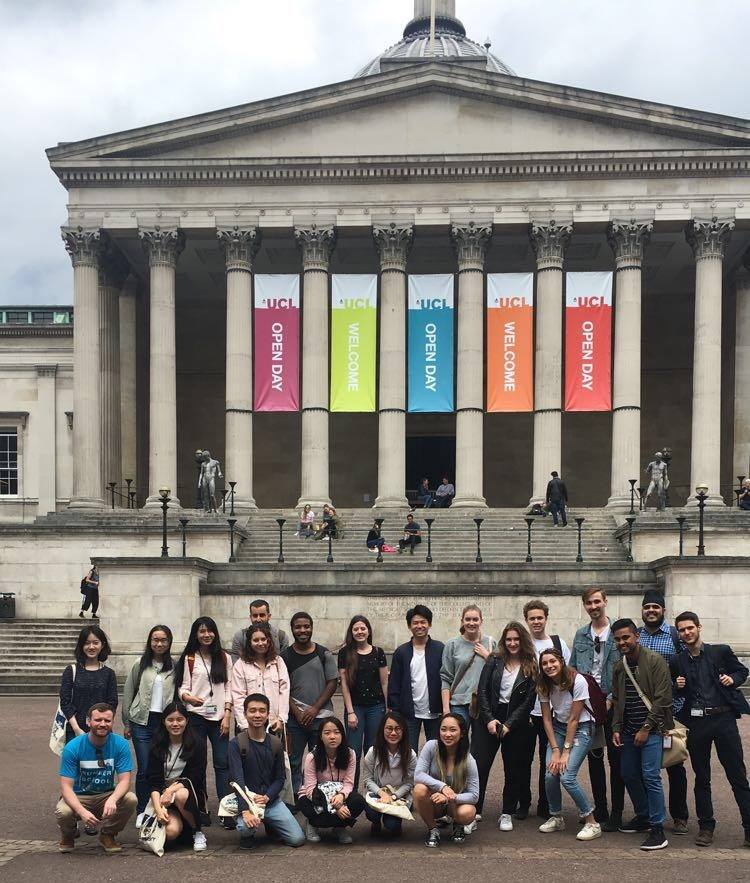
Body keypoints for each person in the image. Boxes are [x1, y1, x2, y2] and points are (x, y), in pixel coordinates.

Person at [674, 611, 750, 848]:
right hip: (697, 723)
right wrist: (677, 686)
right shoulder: (678, 661)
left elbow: (742, 671)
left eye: (690, 628)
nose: (687, 633)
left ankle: (749, 827)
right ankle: (706, 826)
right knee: (702, 777)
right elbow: (674, 691)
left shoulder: (721, 651)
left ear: (699, 627)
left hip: (724, 719)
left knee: (737, 776)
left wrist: (732, 679)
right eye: (682, 630)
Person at [611, 618, 671, 850]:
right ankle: (644, 815)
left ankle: (657, 829)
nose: (622, 642)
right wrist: (616, 728)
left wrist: (646, 729)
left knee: (651, 777)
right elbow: (617, 701)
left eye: (626, 637)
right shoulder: (619, 666)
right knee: (628, 774)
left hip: (652, 730)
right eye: (617, 639)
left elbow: (663, 699)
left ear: (637, 636)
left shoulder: (655, 661)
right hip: (627, 731)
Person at [569, 588, 624, 831]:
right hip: (590, 705)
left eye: (597, 602)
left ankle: (617, 812)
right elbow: (572, 669)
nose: (594, 606)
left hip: (613, 703)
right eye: (589, 603)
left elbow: (624, 670)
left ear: (605, 602)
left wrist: (612, 698)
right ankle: (600, 808)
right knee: (595, 759)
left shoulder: (617, 633)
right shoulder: (581, 634)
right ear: (584, 606)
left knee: (617, 758)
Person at [475, 621, 537, 829]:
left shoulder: (531, 665)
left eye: (516, 639)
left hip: (516, 721)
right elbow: (482, 690)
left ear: (523, 641)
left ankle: (507, 812)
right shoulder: (494, 660)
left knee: (513, 769)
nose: (512, 643)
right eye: (509, 639)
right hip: (490, 716)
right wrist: (489, 718)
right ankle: (474, 811)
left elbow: (529, 701)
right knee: (480, 765)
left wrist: (509, 724)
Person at [637, 589, 689, 834]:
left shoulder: (674, 635)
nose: (651, 611)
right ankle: (649, 814)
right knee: (645, 767)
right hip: (642, 710)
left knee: (674, 763)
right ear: (642, 610)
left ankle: (679, 816)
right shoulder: (636, 636)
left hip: (670, 710)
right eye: (647, 607)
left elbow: (688, 664)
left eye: (655, 607)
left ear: (663, 610)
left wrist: (681, 682)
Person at [536, 649, 601, 841]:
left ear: (561, 661)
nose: (549, 666)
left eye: (553, 661)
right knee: (550, 774)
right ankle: (556, 817)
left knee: (567, 776)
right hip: (558, 727)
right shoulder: (543, 684)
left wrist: (565, 752)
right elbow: (546, 720)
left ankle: (592, 822)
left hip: (581, 727)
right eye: (545, 663)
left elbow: (574, 718)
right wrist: (555, 750)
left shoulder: (577, 680)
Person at [56, 702, 137, 854]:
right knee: (63, 811)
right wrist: (82, 811)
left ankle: (108, 834)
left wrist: (113, 799)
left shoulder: (120, 744)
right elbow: (65, 787)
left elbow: (125, 780)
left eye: (107, 720)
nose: (103, 724)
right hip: (79, 796)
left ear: (112, 722)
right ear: (88, 722)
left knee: (131, 799)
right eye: (98, 720)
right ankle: (68, 834)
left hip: (105, 795)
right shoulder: (73, 747)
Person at [229, 693, 305, 848]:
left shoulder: (276, 743)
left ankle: (271, 824)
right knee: (245, 828)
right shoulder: (236, 744)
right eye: (252, 711)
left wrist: (268, 796)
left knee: (297, 839)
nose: (257, 715)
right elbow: (238, 780)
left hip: (270, 801)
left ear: (268, 714)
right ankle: (247, 834)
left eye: (262, 711)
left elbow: (280, 778)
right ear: (245, 714)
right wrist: (245, 810)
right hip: (248, 801)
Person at [175, 616, 233, 804]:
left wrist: (227, 715)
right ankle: (201, 805)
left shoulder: (225, 657)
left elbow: (228, 688)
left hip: (219, 719)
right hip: (196, 716)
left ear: (215, 633)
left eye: (209, 631)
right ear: (196, 634)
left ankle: (226, 808)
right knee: (198, 763)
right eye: (202, 631)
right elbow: (182, 687)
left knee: (222, 762)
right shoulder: (189, 658)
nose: (206, 635)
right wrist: (187, 697)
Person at [122, 624, 176, 822]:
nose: (159, 643)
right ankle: (143, 811)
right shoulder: (140, 664)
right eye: (155, 639)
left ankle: (160, 806)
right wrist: (126, 721)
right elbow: (129, 691)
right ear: (150, 641)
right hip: (141, 722)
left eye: (163, 640)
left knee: (163, 766)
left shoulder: (174, 665)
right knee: (145, 768)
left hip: (165, 723)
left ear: (169, 642)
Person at [523, 599, 571, 819]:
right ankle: (523, 802)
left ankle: (545, 803)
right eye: (532, 618)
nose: (536, 621)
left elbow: (569, 674)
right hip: (525, 712)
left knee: (548, 759)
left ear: (546, 619)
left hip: (551, 714)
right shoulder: (522, 644)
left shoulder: (558, 643)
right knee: (522, 760)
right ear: (527, 620)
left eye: (539, 617)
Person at [281, 612, 338, 794]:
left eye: (306, 626)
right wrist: (297, 713)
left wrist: (314, 709)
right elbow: (283, 687)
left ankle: (317, 795)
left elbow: (332, 683)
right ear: (292, 629)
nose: (302, 630)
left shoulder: (324, 653)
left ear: (312, 628)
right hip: (294, 719)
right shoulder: (284, 657)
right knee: (294, 760)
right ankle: (298, 796)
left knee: (319, 759)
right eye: (298, 627)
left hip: (321, 718)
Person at [147, 700, 209, 852]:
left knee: (181, 794)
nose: (175, 724)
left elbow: (195, 776)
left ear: (187, 721)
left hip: (188, 794)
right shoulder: (157, 743)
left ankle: (197, 831)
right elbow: (153, 781)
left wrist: (170, 790)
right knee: (171, 833)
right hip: (163, 798)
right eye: (171, 720)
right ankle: (182, 829)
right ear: (164, 722)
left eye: (180, 719)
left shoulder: (197, 743)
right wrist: (158, 808)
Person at [413, 712, 479, 847]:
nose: (447, 734)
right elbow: (418, 774)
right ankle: (433, 829)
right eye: (443, 729)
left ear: (462, 733)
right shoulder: (431, 746)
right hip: (435, 801)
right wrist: (442, 787)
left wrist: (450, 797)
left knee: (468, 812)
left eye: (453, 730)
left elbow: (474, 796)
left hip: (455, 803)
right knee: (419, 789)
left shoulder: (469, 760)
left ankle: (458, 824)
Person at [297, 717, 366, 844]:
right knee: (306, 806)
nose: (332, 736)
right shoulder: (312, 757)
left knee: (358, 801)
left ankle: (339, 827)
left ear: (342, 735)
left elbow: (349, 783)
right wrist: (336, 807)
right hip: (316, 797)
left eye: (336, 732)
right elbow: (310, 789)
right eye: (327, 733)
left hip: (340, 795)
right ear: (321, 736)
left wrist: (341, 797)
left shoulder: (350, 754)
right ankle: (312, 823)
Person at [338, 615, 388, 786]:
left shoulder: (378, 652)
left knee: (373, 751)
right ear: (351, 632)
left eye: (362, 628)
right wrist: (350, 711)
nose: (359, 632)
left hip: (376, 707)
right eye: (356, 629)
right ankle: (351, 792)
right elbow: (344, 684)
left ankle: (373, 791)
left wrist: (388, 708)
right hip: (355, 708)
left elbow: (384, 682)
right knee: (353, 752)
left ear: (368, 631)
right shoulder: (345, 653)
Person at [388, 605, 444, 748]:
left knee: (436, 751)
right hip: (409, 712)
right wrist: (394, 710)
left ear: (429, 624)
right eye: (415, 623)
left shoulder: (440, 649)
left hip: (435, 711)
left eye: (423, 622)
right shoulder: (401, 652)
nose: (420, 626)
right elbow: (394, 683)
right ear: (409, 626)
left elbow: (446, 678)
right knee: (409, 752)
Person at [60, 625, 118, 743]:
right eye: (87, 643)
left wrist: (101, 724)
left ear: (103, 645)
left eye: (95, 643)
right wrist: (77, 729)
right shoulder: (71, 670)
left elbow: (112, 703)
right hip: (75, 732)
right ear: (81, 646)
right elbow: (65, 702)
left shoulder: (109, 673)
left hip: (102, 731)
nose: (91, 647)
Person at [362, 711, 416, 838]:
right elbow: (367, 779)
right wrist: (382, 794)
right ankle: (375, 822)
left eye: (398, 729)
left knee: (392, 826)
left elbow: (409, 782)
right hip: (378, 792)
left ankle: (394, 822)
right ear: (382, 730)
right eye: (389, 728)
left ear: (403, 731)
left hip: (398, 795)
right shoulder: (373, 752)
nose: (393, 733)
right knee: (372, 814)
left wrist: (393, 797)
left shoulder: (411, 754)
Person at [440, 605, 494, 730]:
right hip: (458, 703)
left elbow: (499, 673)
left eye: (475, 619)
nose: (471, 623)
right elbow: (446, 678)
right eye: (468, 619)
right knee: (458, 743)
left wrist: (487, 656)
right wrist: (446, 709)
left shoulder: (491, 643)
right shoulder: (452, 644)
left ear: (481, 621)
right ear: (462, 621)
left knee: (480, 747)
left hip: (483, 704)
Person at [230, 622, 289, 734]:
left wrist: (281, 719)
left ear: (269, 641)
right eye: (256, 640)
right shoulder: (241, 664)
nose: (260, 643)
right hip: (248, 724)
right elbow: (238, 696)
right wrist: (244, 725)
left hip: (273, 723)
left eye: (263, 639)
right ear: (249, 643)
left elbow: (284, 691)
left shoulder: (278, 662)